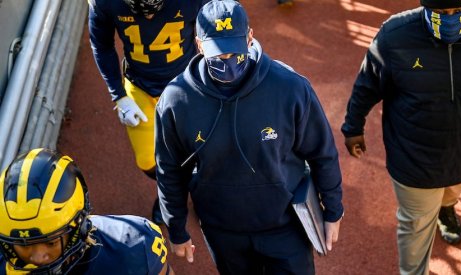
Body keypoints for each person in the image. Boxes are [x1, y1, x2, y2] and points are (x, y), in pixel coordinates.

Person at [155, 1, 344, 274]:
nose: (228, 63)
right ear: (198, 45)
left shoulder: (290, 88)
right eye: (218, 56)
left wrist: (333, 210)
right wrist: (176, 227)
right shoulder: (176, 101)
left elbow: (322, 152)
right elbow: (169, 169)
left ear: (250, 37)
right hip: (223, 231)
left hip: (286, 225)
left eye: (235, 52)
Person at [341, 0, 461, 274]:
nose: (450, 19)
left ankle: (447, 208)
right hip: (415, 159)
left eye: (458, 12)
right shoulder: (394, 35)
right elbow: (366, 85)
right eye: (441, 12)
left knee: (451, 191)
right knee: (416, 225)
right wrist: (353, 127)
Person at [87, 0, 209, 225]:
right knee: (147, 160)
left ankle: (194, 189)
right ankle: (176, 187)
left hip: (187, 82)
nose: (150, 16)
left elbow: (216, 30)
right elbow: (101, 45)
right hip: (140, 85)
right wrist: (119, 95)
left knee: (203, 148)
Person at [0, 148, 173, 274]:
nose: (38, 257)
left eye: (51, 242)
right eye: (24, 244)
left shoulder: (134, 246)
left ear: (78, 226)